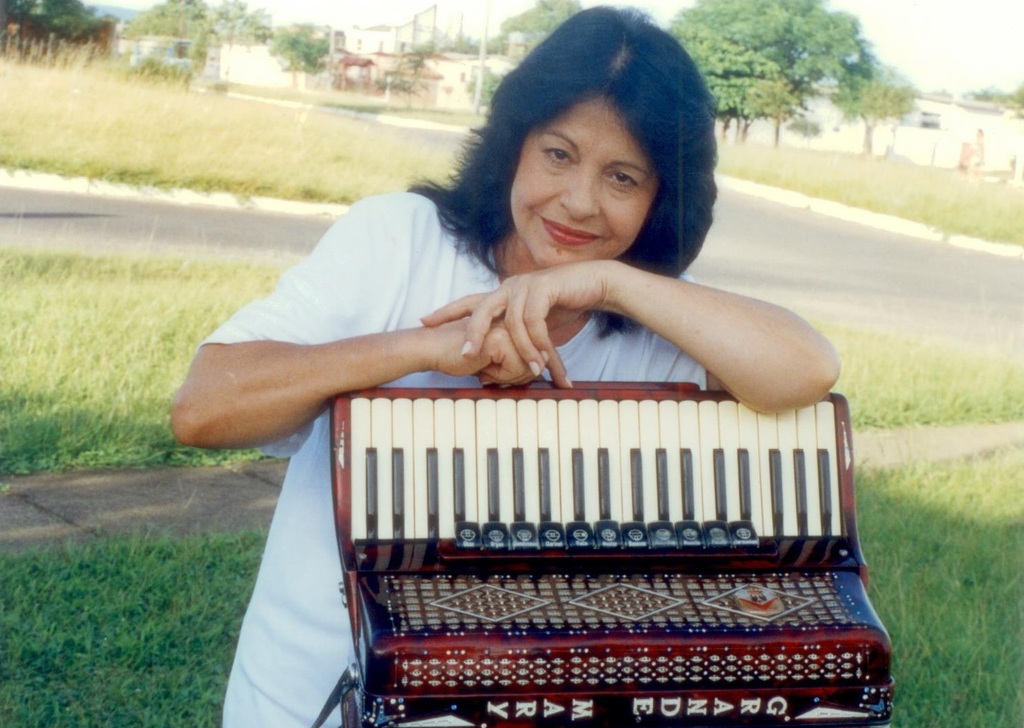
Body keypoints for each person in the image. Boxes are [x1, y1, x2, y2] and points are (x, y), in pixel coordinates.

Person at [171, 7, 840, 726]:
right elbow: (203, 410)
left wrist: (609, 284)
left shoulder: (655, 316)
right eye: (558, 154)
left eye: (622, 177)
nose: (578, 202)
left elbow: (807, 369)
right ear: (513, 145)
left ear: (662, 198)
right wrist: (430, 347)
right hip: (310, 697)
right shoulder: (399, 238)